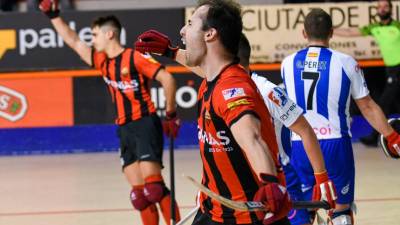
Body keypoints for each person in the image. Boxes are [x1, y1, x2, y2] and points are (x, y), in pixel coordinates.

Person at [136, 30, 337, 225]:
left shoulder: (267, 91)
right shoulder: (214, 79)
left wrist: (321, 178)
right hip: (218, 200)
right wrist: (170, 52)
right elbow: (198, 68)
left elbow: (304, 130)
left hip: (263, 190)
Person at [137, 1, 292, 225]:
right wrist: (170, 52)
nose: (182, 30)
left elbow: (253, 139)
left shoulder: (231, 89)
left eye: (190, 23)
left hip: (247, 216)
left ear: (210, 34)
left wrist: (269, 184)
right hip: (213, 209)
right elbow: (202, 67)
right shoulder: (215, 78)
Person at [38, 1, 181, 225]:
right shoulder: (101, 60)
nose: (92, 40)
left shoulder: (134, 57)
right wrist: (53, 15)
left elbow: (167, 78)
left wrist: (171, 114)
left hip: (144, 123)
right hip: (124, 129)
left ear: (110, 34)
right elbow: (74, 42)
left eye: (95, 35)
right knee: (140, 197)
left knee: (154, 188)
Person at [281, 8, 400, 225]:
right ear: (332, 32)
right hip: (335, 145)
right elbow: (367, 106)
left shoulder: (287, 64)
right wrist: (392, 136)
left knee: (305, 210)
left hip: (300, 146)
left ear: (303, 33)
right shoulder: (346, 62)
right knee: (340, 211)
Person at [334, 0, 400, 146]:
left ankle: (375, 136)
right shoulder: (374, 27)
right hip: (391, 70)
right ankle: (378, 135)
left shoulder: (397, 26)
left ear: (391, 9)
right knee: (387, 103)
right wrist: (330, 29)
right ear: (377, 10)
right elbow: (351, 32)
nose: (382, 9)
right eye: (380, 7)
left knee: (383, 104)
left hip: (398, 69)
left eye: (385, 6)